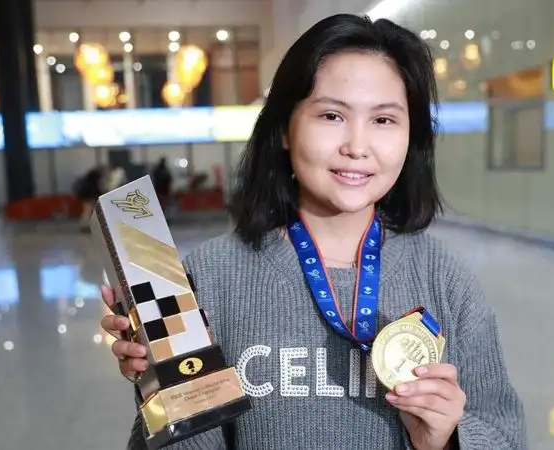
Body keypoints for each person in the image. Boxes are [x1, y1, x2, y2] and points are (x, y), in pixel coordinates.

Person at [101, 14, 527, 450]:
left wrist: (446, 440)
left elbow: (506, 435)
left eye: (384, 120)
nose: (357, 147)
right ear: (285, 128)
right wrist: (165, 384)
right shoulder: (210, 276)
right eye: (331, 115)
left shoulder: (446, 280)